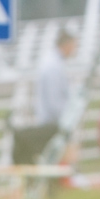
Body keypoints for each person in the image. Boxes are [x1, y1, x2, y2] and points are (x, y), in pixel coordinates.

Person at [13, 28, 79, 165]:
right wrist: (65, 123)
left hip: (51, 122)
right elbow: (54, 101)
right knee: (56, 159)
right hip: (52, 124)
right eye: (74, 46)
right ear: (66, 45)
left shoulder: (53, 63)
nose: (75, 50)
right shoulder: (53, 66)